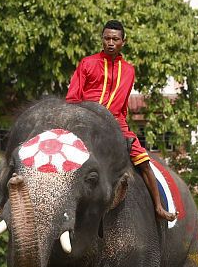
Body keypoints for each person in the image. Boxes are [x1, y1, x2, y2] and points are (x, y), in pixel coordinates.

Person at [66, 19, 175, 221]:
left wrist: (123, 130)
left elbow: (123, 105)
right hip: (86, 120)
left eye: (115, 39)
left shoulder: (129, 70)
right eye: (106, 38)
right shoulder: (87, 63)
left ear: (123, 41)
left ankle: (158, 208)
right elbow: (73, 97)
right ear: (102, 39)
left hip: (117, 124)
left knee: (144, 162)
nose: (110, 42)